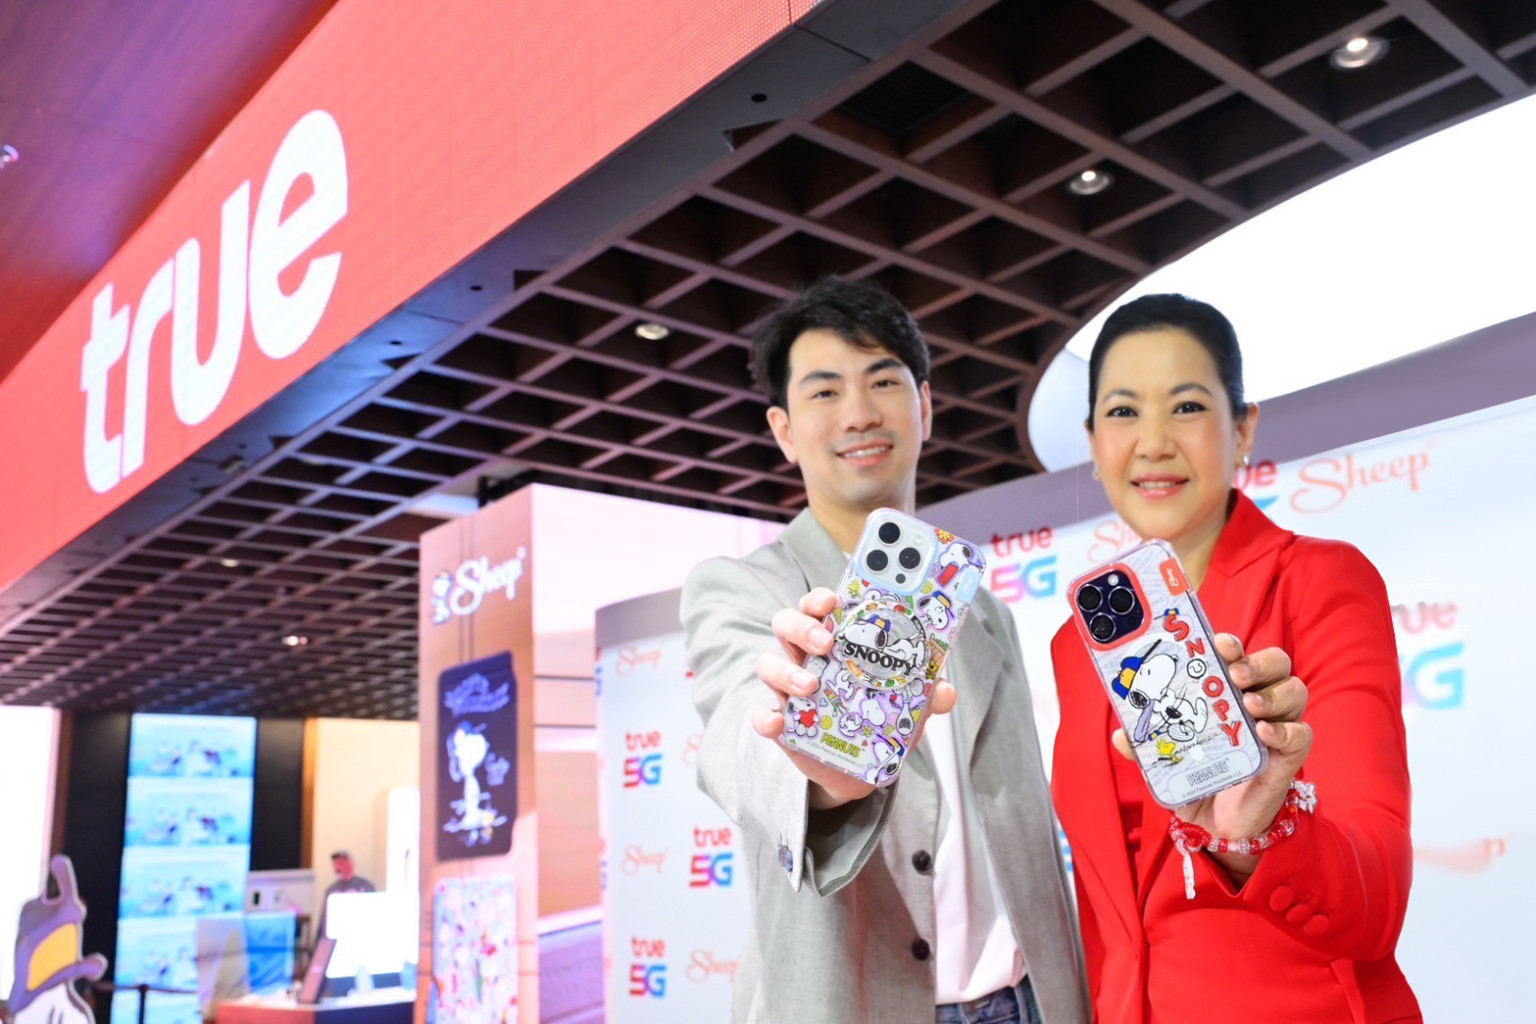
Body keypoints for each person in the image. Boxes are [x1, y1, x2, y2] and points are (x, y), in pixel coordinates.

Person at [682, 277, 1088, 1024]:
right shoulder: (745, 588)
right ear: (783, 429)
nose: (860, 413)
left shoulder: (981, 608)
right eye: (824, 392)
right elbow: (740, 727)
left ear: (924, 405)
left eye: (883, 381)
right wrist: (816, 774)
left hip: (1030, 996)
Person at [1049, 294, 1419, 1022]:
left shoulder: (1319, 582)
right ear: (1093, 443)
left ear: (1242, 428)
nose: (1153, 442)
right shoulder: (1076, 643)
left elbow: (1374, 902)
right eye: (1123, 412)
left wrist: (1253, 833)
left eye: (1186, 406)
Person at [314, 849, 375, 946]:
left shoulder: (364, 886)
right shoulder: (331, 890)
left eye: (341, 863)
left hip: (359, 938)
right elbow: (324, 920)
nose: (338, 867)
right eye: (335, 864)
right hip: (336, 940)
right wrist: (319, 944)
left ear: (350, 864)